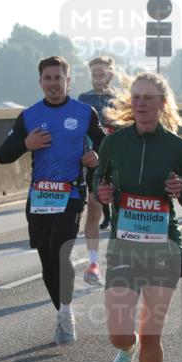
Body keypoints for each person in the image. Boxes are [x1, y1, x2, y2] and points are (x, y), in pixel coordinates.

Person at [94, 72, 182, 362]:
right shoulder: (114, 143)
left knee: (152, 332)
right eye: (136, 97)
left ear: (162, 103)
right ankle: (126, 351)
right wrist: (102, 193)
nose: (141, 103)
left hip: (163, 246)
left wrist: (181, 189)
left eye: (148, 98)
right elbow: (98, 180)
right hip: (124, 246)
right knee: (119, 331)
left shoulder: (177, 147)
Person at [0, 56, 105, 343]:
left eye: (58, 78)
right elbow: (3, 155)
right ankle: (62, 310)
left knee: (60, 251)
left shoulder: (85, 112)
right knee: (47, 259)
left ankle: (67, 312)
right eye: (48, 78)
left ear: (68, 81)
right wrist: (26, 144)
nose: (53, 84)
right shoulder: (29, 116)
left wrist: (96, 156)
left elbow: (105, 145)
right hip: (40, 197)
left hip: (71, 193)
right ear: (40, 82)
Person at [78, 56, 120, 286]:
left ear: (111, 75)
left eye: (101, 74)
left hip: (119, 163)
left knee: (121, 214)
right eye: (94, 74)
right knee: (93, 211)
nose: (97, 78)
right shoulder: (83, 99)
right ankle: (93, 263)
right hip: (94, 163)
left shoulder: (122, 99)